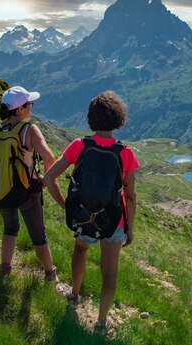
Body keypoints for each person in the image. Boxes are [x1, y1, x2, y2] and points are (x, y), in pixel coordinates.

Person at [44, 90, 139, 334]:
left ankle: (74, 295)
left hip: (84, 214)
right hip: (113, 219)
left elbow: (49, 177)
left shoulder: (80, 145)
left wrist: (66, 206)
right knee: (110, 271)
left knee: (80, 249)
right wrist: (129, 227)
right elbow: (129, 195)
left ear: (91, 118)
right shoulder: (125, 152)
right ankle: (101, 323)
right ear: (119, 118)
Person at [0, 86, 59, 281]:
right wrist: (45, 179)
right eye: (29, 104)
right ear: (20, 109)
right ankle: (50, 273)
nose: (30, 107)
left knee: (10, 228)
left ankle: (5, 270)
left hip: (2, 189)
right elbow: (49, 158)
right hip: (28, 190)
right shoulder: (29, 130)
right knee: (38, 235)